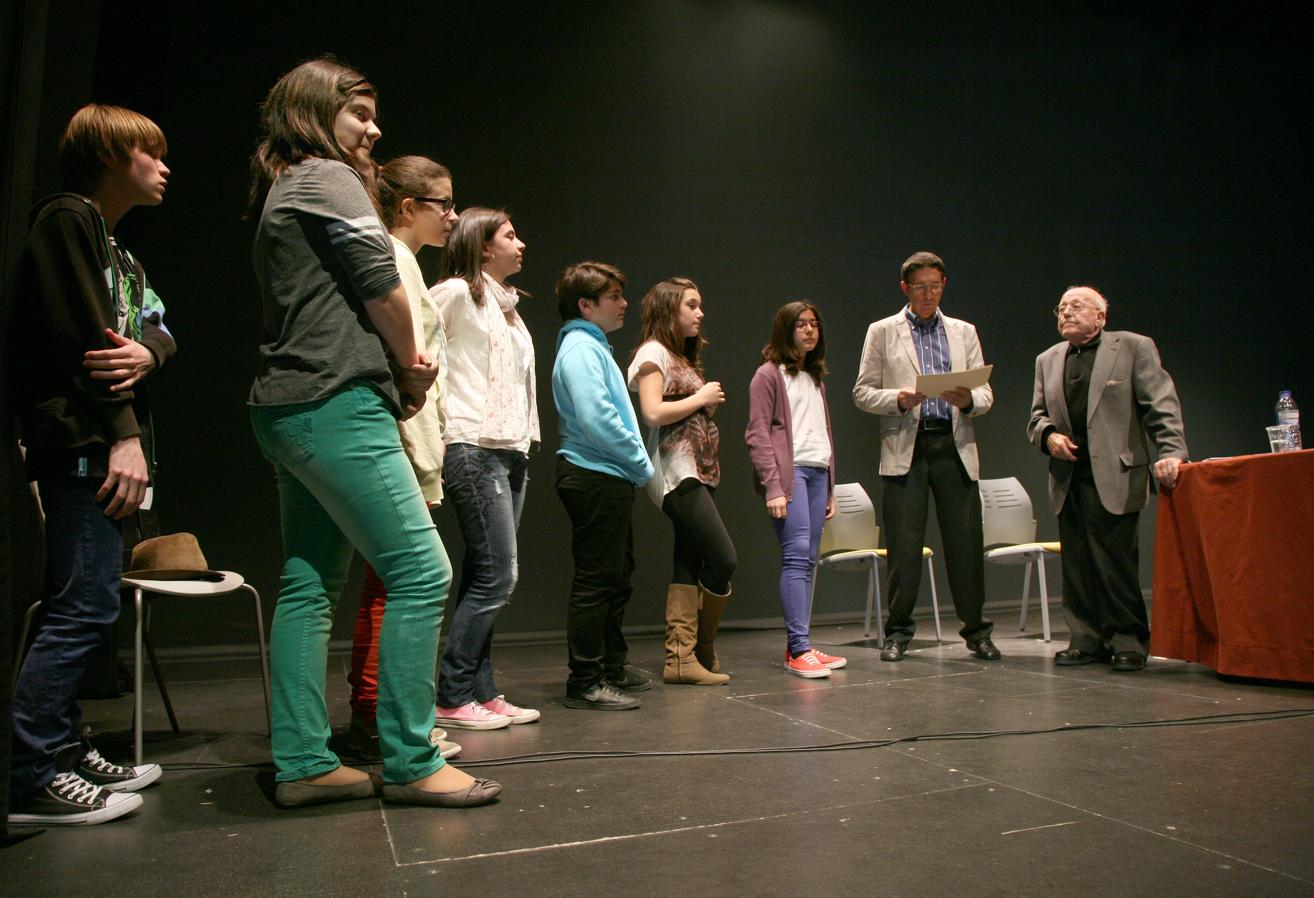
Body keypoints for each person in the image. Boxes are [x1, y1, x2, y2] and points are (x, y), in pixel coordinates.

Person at [247, 57, 497, 808]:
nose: (373, 128)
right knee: (422, 573)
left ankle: (303, 764)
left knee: (307, 584)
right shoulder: (327, 178)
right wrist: (411, 368)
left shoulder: (282, 188)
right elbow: (378, 282)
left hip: (287, 405)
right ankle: (413, 760)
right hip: (335, 400)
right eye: (358, 112)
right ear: (313, 114)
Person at [6, 103, 173, 826]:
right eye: (151, 152)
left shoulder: (119, 250)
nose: (165, 167)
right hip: (80, 443)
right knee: (81, 604)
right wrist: (123, 436)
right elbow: (89, 343)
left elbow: (158, 328)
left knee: (91, 600)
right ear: (110, 154)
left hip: (100, 443)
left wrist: (152, 350)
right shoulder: (67, 221)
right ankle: (30, 772)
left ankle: (65, 747)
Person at [343, 155, 461, 761]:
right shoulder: (393, 256)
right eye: (443, 204)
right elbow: (406, 356)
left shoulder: (407, 261)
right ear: (409, 207)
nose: (453, 215)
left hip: (410, 432)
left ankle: (376, 711)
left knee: (386, 580)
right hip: (399, 432)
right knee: (400, 580)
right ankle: (382, 714)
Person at [1027, 286, 1187, 672]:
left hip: (1115, 472)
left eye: (1076, 307)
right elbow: (1036, 417)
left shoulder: (1132, 347)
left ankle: (1127, 640)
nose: (1066, 313)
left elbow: (1160, 405)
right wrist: (1049, 437)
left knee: (1115, 562)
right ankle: (1086, 639)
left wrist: (1171, 452)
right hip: (1069, 475)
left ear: (1101, 316)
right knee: (1078, 563)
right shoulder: (1047, 360)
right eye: (1061, 307)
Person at [852, 251, 999, 662]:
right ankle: (898, 633)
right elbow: (862, 392)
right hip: (907, 448)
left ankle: (977, 632)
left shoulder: (963, 331)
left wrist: (969, 399)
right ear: (905, 288)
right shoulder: (882, 331)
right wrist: (898, 398)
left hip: (954, 446)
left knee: (965, 546)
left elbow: (986, 394)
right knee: (904, 547)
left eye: (935, 286)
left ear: (944, 286)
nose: (928, 294)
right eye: (920, 287)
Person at [430, 208, 540, 731]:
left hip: (511, 447)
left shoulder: (510, 311)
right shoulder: (454, 293)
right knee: (499, 575)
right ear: (482, 244)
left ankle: (482, 689)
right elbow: (419, 352)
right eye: (510, 236)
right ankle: (452, 695)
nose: (521, 244)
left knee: (483, 573)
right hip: (472, 444)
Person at [552, 262, 653, 710]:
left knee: (615, 577)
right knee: (597, 582)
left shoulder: (592, 347)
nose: (624, 303)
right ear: (586, 305)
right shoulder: (580, 348)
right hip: (594, 474)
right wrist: (641, 462)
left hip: (606, 475)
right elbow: (597, 420)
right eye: (614, 296)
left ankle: (609, 667)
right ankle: (586, 682)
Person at [627, 277, 735, 686]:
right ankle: (699, 648)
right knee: (724, 558)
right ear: (670, 308)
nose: (700, 313)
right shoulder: (654, 351)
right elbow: (652, 411)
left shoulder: (679, 356)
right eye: (691, 304)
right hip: (677, 472)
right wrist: (703, 397)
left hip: (698, 470)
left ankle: (681, 659)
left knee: (689, 561)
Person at [745, 301, 847, 678]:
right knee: (796, 555)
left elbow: (822, 432)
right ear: (785, 330)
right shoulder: (768, 375)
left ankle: (799, 646)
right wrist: (773, 485)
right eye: (801, 324)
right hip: (792, 477)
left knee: (808, 560)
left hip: (818, 473)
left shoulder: (815, 377)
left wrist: (832, 487)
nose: (809, 330)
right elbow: (757, 434)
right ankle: (799, 648)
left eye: (814, 324)